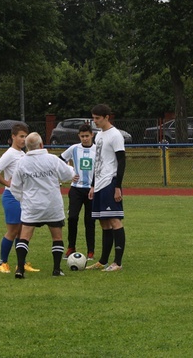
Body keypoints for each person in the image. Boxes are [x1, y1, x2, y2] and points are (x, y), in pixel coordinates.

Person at [10, 132, 76, 278]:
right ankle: (57, 269)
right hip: (52, 204)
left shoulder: (22, 162)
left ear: (27, 147)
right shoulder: (52, 159)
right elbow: (68, 175)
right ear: (41, 145)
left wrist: (23, 199)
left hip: (32, 205)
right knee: (57, 236)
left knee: (25, 236)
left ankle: (20, 269)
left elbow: (14, 187)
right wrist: (70, 168)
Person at [0, 123, 39, 274]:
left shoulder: (23, 154)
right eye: (21, 136)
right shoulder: (10, 154)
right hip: (12, 197)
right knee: (13, 231)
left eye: (25, 136)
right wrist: (7, 183)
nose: (23, 139)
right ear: (13, 137)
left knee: (22, 231)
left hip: (23, 198)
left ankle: (21, 263)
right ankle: (2, 262)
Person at [86, 104, 126, 272]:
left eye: (97, 118)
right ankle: (102, 261)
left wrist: (118, 186)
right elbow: (98, 162)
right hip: (100, 184)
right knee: (103, 222)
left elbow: (122, 161)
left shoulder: (116, 135)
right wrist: (93, 185)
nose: (94, 121)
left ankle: (117, 262)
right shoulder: (99, 136)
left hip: (110, 182)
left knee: (115, 220)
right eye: (93, 118)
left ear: (106, 117)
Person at [60, 123, 96, 259]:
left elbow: (101, 168)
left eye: (87, 136)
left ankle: (90, 251)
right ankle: (71, 247)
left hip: (92, 190)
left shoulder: (97, 150)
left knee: (90, 221)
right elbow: (60, 161)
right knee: (73, 217)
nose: (85, 139)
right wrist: (69, 174)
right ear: (78, 136)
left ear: (92, 135)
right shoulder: (74, 148)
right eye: (82, 136)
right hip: (76, 189)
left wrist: (94, 185)